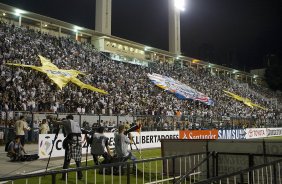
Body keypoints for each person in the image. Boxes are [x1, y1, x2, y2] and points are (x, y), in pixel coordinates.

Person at [52, 114, 83, 180]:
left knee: (67, 160)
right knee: (78, 160)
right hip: (79, 141)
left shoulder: (68, 121)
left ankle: (64, 177)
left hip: (71, 141)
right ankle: (80, 176)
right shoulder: (76, 123)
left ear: (68, 118)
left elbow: (56, 122)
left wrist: (51, 118)